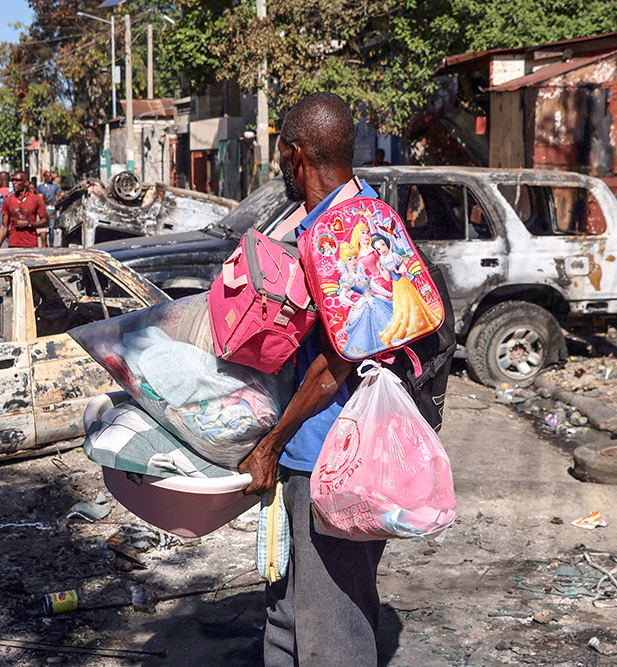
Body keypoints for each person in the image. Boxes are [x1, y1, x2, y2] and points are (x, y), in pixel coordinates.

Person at [238, 92, 384, 667]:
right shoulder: (350, 210)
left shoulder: (343, 232)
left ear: (295, 153)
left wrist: (270, 444)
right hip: (309, 451)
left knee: (332, 626)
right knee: (287, 612)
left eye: (280, 153)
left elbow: (337, 361)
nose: (280, 164)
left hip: (331, 459)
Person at [0, 171, 48, 248]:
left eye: (18, 180)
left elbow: (45, 222)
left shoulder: (36, 199)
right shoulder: (8, 201)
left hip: (30, 244)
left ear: (26, 183)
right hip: (13, 244)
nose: (14, 183)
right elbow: (4, 226)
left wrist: (28, 224)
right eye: (13, 180)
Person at [36, 169, 62, 247]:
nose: (50, 177)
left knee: (51, 226)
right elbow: (38, 197)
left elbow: (58, 195)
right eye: (48, 176)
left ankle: (51, 244)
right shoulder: (40, 187)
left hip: (52, 208)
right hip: (43, 208)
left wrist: (59, 205)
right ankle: (44, 244)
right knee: (43, 228)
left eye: (51, 176)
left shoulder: (55, 185)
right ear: (44, 177)